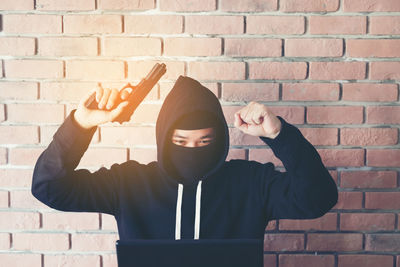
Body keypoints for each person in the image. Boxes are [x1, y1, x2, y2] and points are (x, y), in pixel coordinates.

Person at [31, 75, 338, 241]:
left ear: (219, 141)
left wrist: (280, 134)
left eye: (204, 141)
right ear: (165, 139)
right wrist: (81, 124)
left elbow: (318, 198)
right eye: (181, 141)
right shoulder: (128, 183)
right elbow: (48, 186)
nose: (193, 149)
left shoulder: (250, 183)